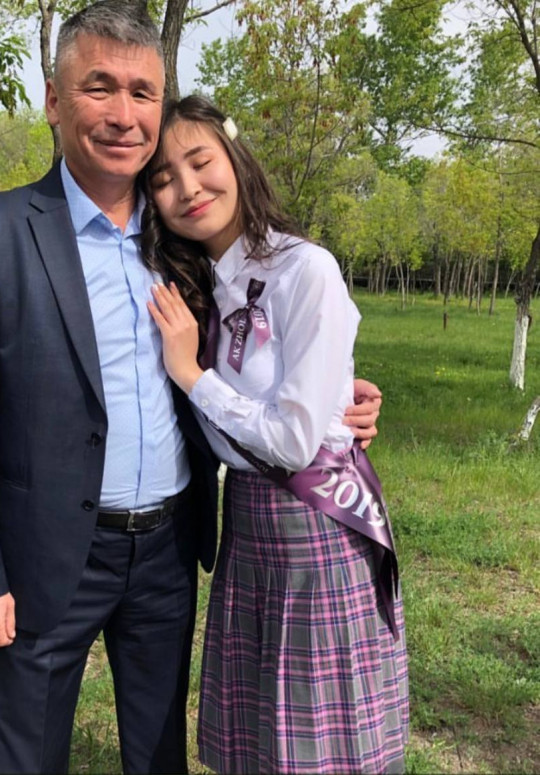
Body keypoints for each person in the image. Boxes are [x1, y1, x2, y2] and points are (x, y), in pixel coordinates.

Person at [0, 3, 383, 772]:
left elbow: (257, 353)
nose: (123, 114)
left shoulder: (185, 235)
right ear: (54, 99)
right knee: (25, 754)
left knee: (157, 752)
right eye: (99, 87)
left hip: (170, 549)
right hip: (46, 553)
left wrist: (340, 393)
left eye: (143, 92)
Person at [142, 95, 409, 774]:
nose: (188, 188)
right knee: (264, 736)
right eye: (164, 179)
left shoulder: (304, 268)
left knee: (321, 741)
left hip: (313, 529)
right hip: (247, 525)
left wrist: (191, 375)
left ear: (236, 157)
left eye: (200, 161)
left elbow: (292, 443)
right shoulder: (200, 283)